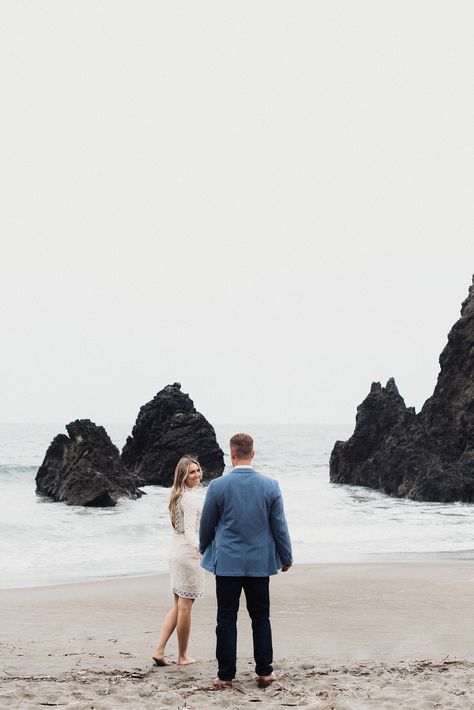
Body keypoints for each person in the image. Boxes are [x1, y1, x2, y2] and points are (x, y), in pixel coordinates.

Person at [199, 433, 292, 688]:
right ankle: (264, 672)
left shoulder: (217, 486)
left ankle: (225, 676)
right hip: (259, 564)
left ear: (232, 454)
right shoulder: (270, 485)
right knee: (261, 617)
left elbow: (206, 524)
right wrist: (286, 556)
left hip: (227, 563)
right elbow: (279, 526)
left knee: (226, 618)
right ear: (253, 453)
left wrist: (203, 548)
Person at [152, 455, 204, 666]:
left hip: (175, 552)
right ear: (183, 475)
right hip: (187, 555)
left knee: (177, 606)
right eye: (191, 472)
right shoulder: (190, 498)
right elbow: (190, 530)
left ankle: (159, 650)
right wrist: (201, 551)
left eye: (198, 470)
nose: (196, 475)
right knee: (185, 607)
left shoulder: (177, 495)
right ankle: (182, 656)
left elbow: (180, 529)